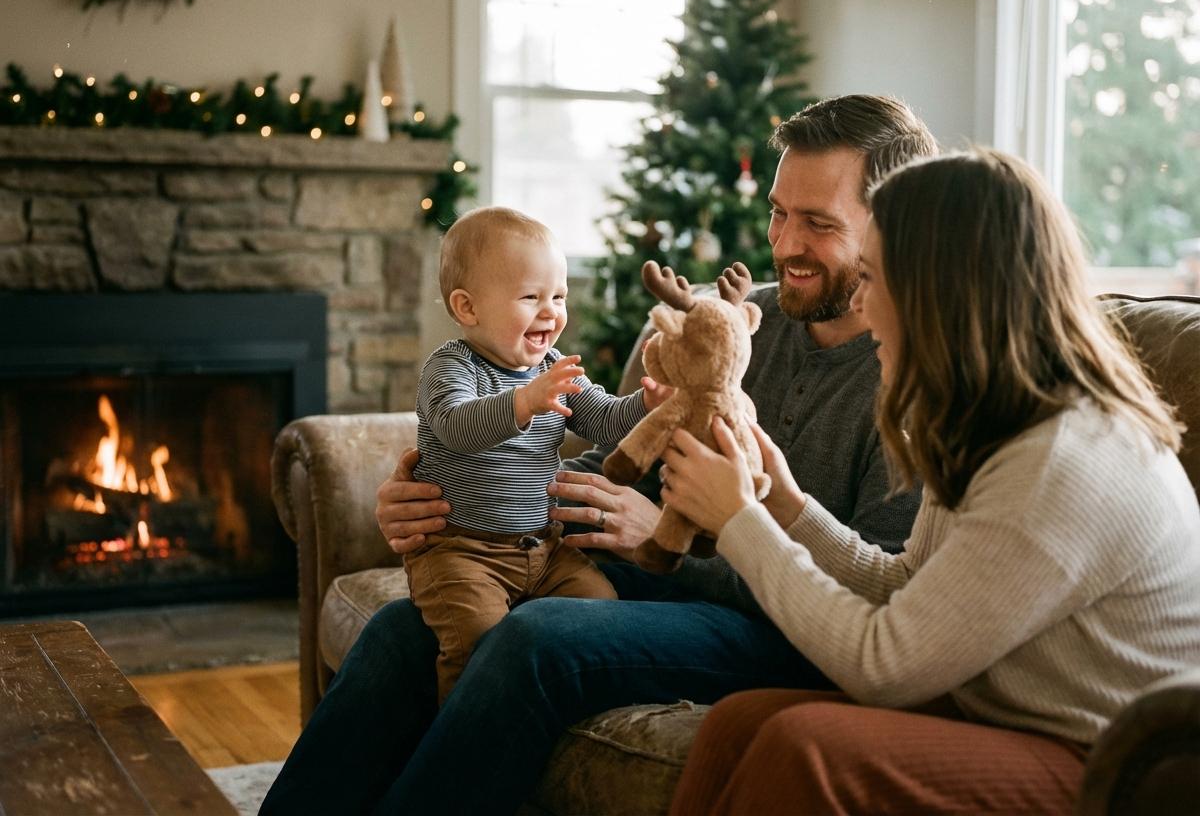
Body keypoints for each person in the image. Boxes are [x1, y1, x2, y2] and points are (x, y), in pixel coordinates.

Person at [260, 94, 939, 815]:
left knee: (540, 638)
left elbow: (876, 599)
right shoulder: (727, 325)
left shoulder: (917, 373)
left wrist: (667, 540)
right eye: (778, 211)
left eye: (819, 224)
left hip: (782, 629)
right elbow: (604, 468)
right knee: (407, 629)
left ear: (891, 228)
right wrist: (455, 498)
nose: (783, 242)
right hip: (646, 588)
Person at [660, 148, 1200, 814]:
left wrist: (741, 523)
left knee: (807, 744)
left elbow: (884, 666)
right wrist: (786, 502)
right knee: (737, 725)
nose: (857, 302)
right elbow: (907, 588)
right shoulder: (989, 419)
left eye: (872, 278)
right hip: (1010, 720)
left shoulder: (1060, 459)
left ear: (940, 293)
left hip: (1111, 764)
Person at [406, 206, 668, 703]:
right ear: (468, 308)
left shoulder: (553, 369)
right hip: (461, 552)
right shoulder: (451, 369)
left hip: (544, 550)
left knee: (600, 607)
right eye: (531, 297)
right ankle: (464, 732)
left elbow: (606, 422)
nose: (551, 312)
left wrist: (646, 406)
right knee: (477, 642)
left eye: (559, 296)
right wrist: (524, 401)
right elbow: (456, 428)